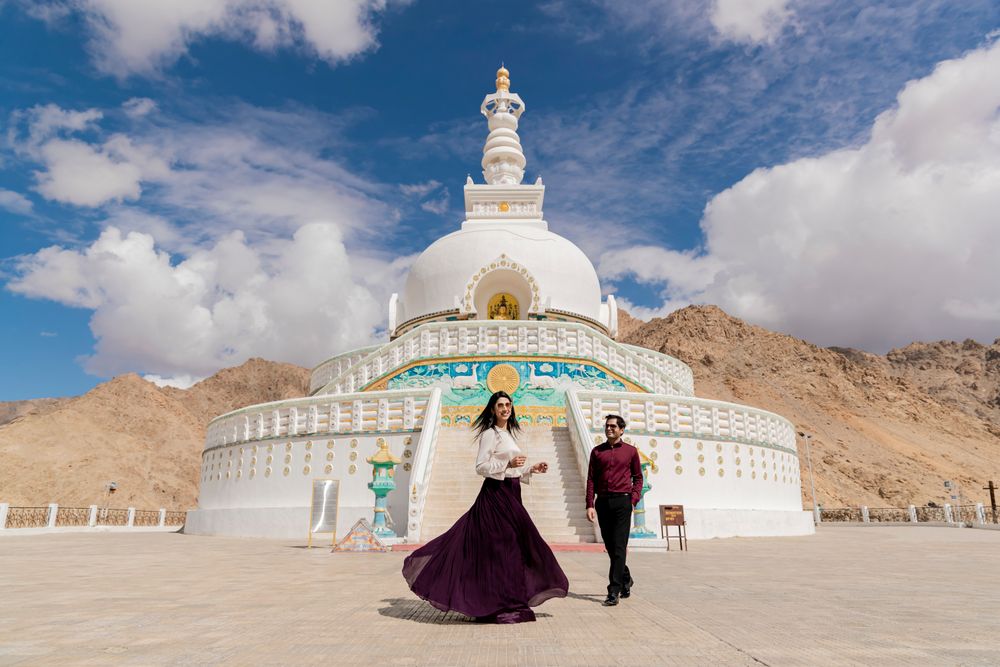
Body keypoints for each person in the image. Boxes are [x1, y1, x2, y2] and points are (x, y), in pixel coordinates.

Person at [402, 390, 569, 623]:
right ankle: (497, 605)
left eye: (508, 405)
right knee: (502, 550)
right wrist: (507, 462)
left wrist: (531, 469)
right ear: (493, 409)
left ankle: (506, 601)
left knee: (513, 549)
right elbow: (481, 467)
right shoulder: (489, 434)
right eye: (500, 405)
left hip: (511, 493)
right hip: (495, 497)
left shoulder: (508, 434)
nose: (505, 409)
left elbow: (510, 470)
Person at [586, 414, 643, 607]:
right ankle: (626, 578)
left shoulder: (631, 452)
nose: (609, 429)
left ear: (621, 430)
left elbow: (638, 478)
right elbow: (591, 480)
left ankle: (614, 590)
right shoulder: (597, 452)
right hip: (603, 503)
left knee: (619, 547)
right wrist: (589, 504)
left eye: (613, 426)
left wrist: (633, 500)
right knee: (611, 547)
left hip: (622, 503)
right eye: (607, 426)